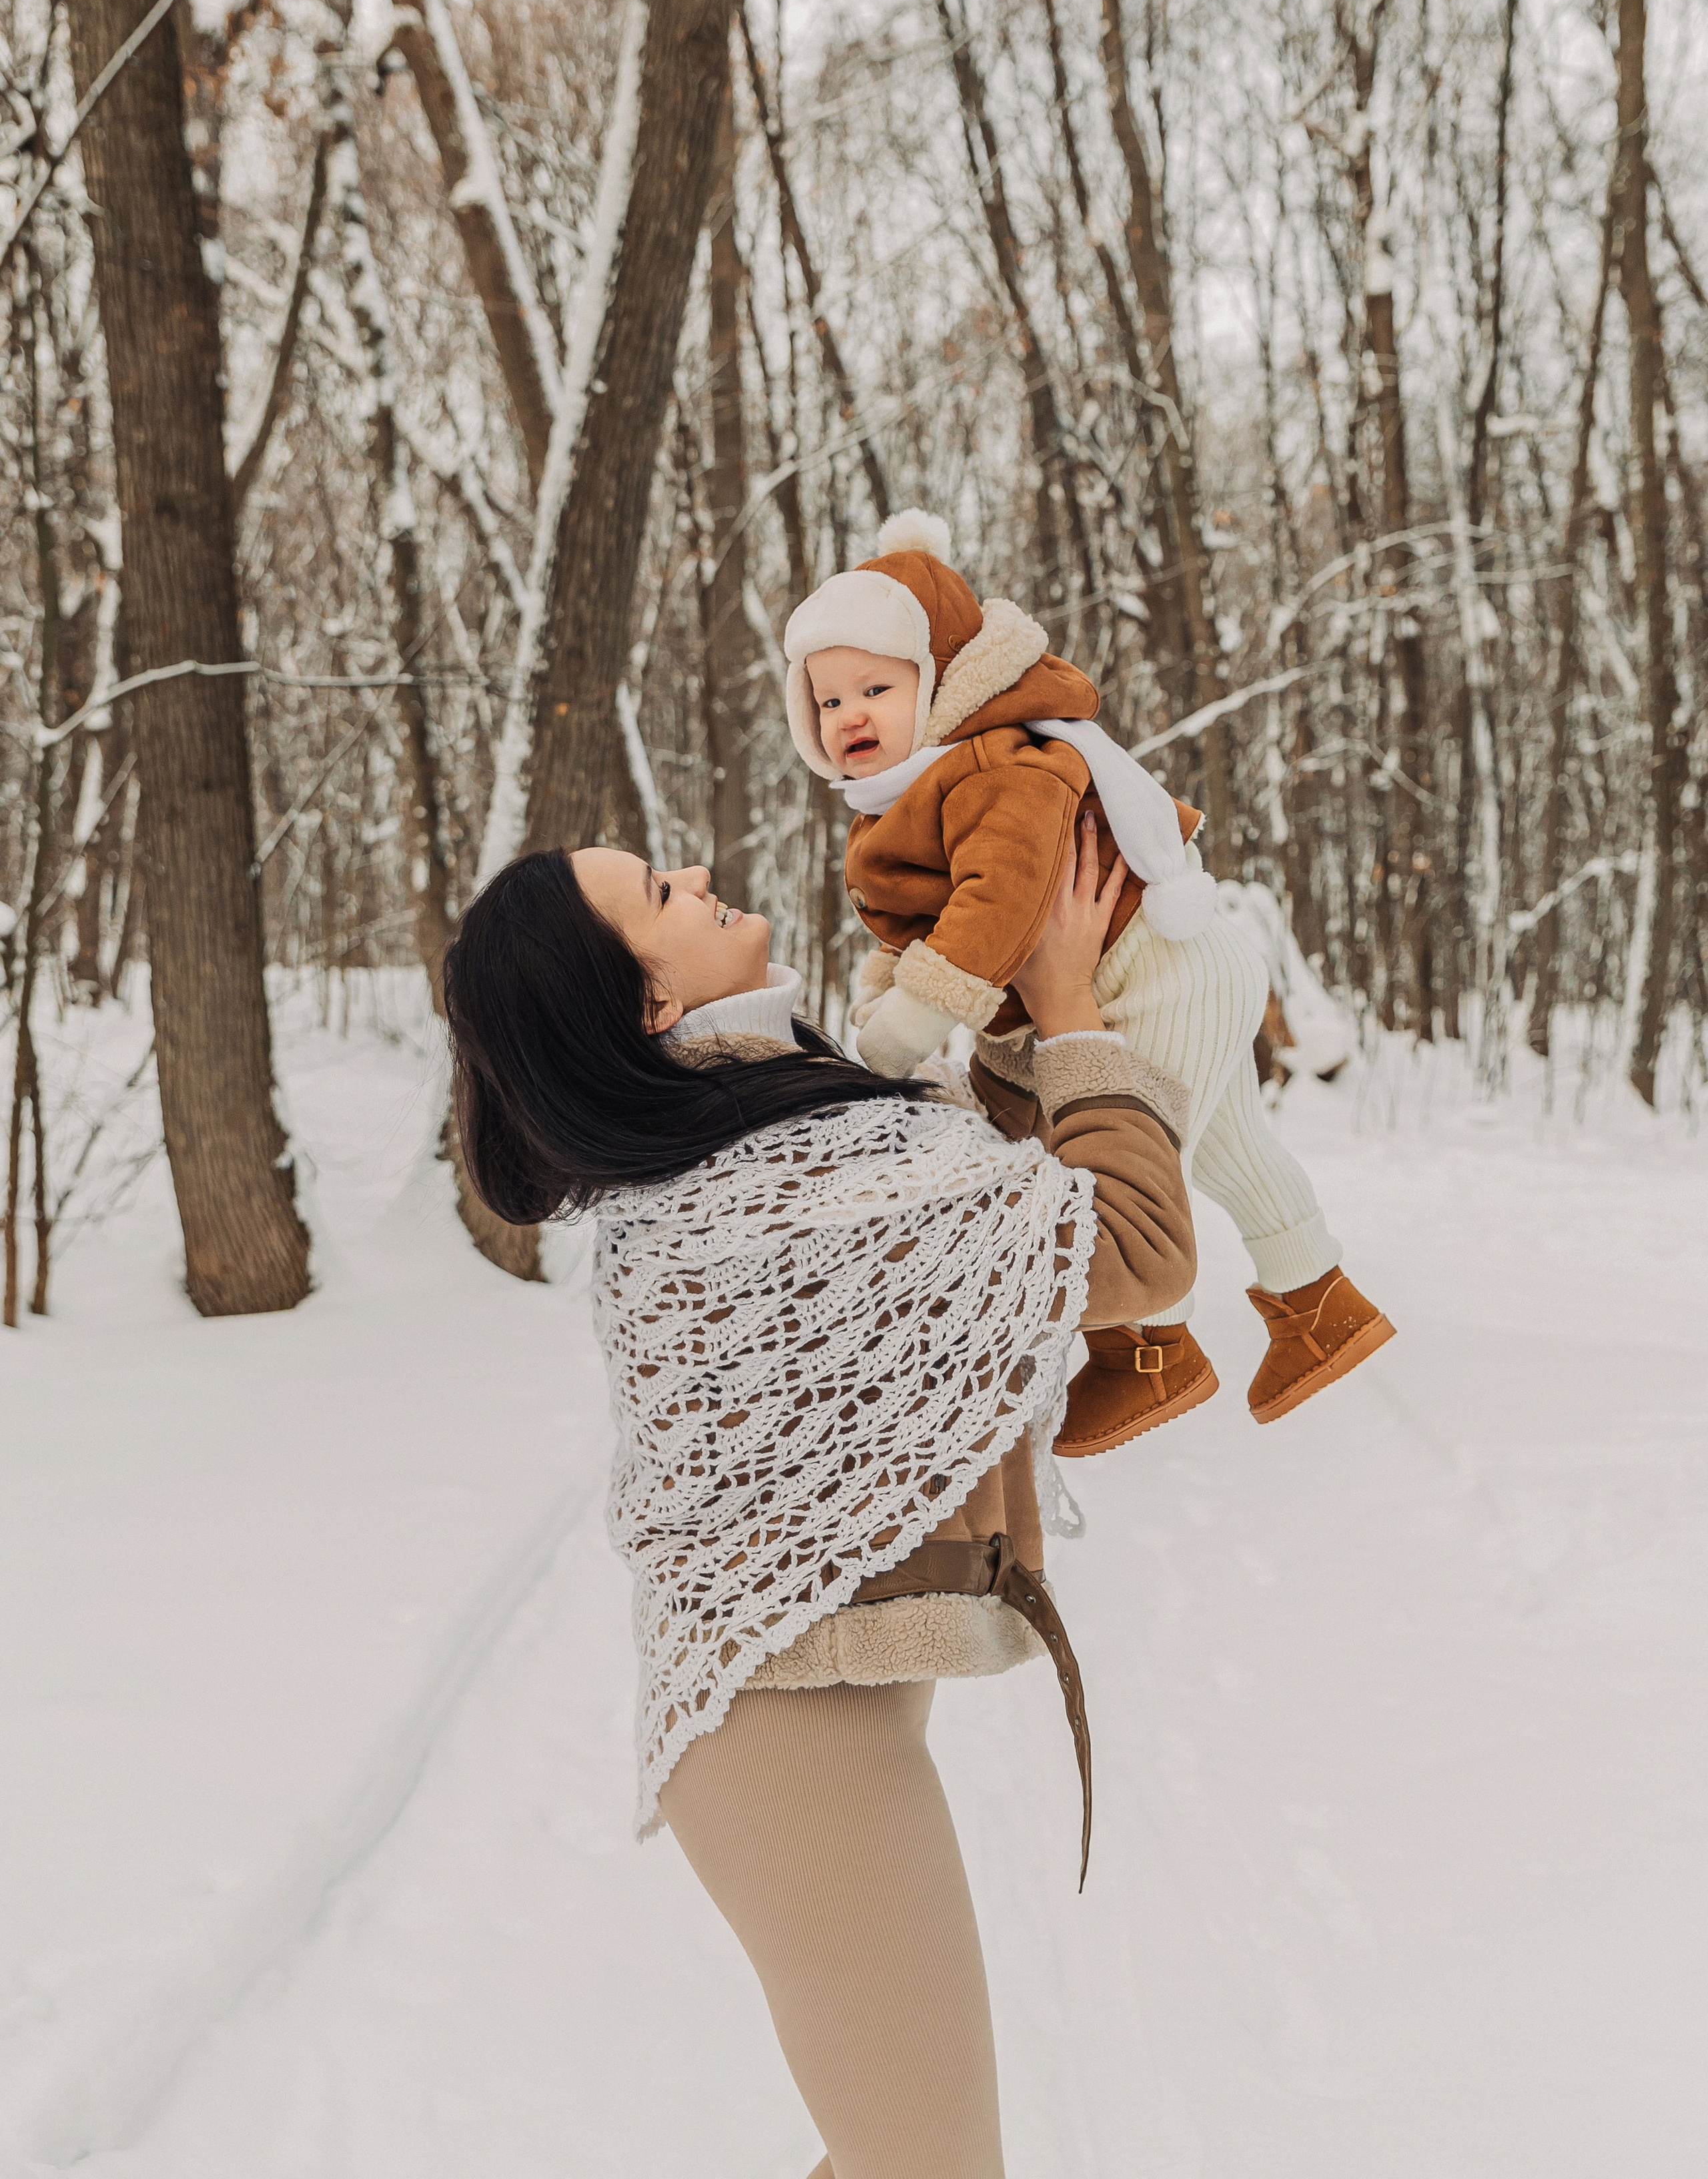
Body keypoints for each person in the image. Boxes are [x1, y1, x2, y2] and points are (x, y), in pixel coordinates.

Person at [443, 821, 1195, 2179]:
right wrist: (1072, 1010)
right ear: (649, 1001)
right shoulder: (766, 1180)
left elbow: (1001, 1183)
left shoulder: (792, 1117)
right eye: (657, 893)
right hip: (783, 1743)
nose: (694, 874)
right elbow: (1132, 1246)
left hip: (809, 1710)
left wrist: (1020, 987)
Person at [782, 508, 1395, 1458]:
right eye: (826, 700)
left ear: (940, 682)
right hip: (1184, 966)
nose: (849, 715)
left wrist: (902, 1027)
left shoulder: (995, 766)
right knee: (1228, 1146)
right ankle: (1323, 1307)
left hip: (1155, 974)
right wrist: (886, 981)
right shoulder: (920, 784)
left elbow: (996, 906)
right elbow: (924, 918)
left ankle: (1148, 1354)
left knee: (1142, 1164)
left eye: (875, 688)